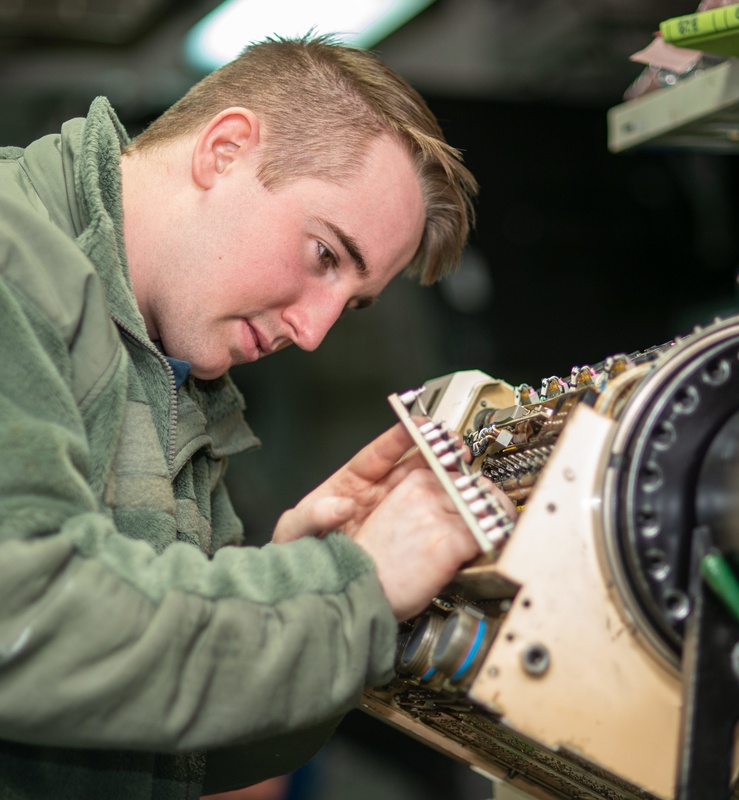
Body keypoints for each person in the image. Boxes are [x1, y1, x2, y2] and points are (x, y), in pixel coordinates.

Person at [0, 33, 484, 799]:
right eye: (325, 254)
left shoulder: (174, 388)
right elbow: (27, 619)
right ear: (224, 150)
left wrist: (301, 580)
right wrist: (337, 587)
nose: (316, 331)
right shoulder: (10, 259)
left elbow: (188, 748)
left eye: (350, 301)